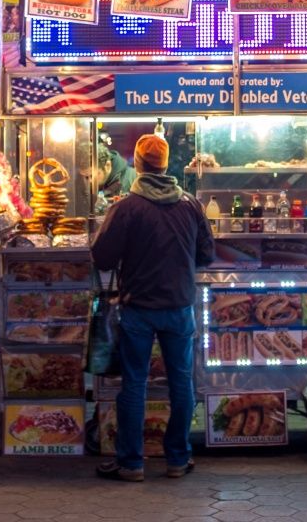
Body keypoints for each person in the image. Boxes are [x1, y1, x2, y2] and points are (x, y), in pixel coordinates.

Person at [91, 133, 214, 482]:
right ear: (166, 164)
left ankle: (131, 463)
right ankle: (177, 459)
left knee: (134, 384)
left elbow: (101, 257)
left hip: (138, 308)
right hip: (179, 306)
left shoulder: (126, 207)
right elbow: (207, 254)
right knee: (181, 383)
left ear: (139, 165)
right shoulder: (190, 204)